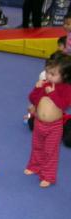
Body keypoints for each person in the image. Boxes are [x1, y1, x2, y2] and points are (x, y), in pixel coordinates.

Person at [24, 52, 71, 187]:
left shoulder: (66, 88)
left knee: (50, 151)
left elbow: (63, 104)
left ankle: (48, 176)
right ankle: (34, 166)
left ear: (65, 75)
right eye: (47, 72)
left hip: (54, 127)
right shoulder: (46, 84)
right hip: (39, 123)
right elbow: (33, 99)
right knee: (37, 147)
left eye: (52, 74)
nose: (48, 76)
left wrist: (53, 93)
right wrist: (37, 88)